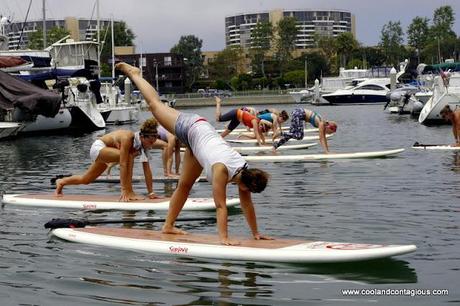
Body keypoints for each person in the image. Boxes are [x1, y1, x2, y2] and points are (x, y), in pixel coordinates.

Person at [116, 62, 272, 245]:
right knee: (154, 105)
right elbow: (220, 206)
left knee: (184, 186)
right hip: (191, 127)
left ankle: (168, 226)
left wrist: (256, 233)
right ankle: (134, 74)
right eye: (250, 191)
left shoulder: (244, 172)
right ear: (247, 186)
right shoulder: (222, 170)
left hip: (197, 143)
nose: (247, 194)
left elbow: (247, 205)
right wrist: (224, 238)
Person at [55, 118, 160, 201]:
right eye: (150, 142)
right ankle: (128, 191)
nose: (151, 145)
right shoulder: (128, 138)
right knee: (127, 157)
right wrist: (125, 190)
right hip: (98, 148)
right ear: (142, 137)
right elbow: (123, 164)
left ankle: (62, 182)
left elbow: (147, 170)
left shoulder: (142, 146)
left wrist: (151, 193)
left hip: (107, 153)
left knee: (86, 179)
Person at [273, 108, 337, 153]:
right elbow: (321, 138)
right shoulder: (322, 124)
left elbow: (324, 138)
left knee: (290, 135)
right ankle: (280, 133)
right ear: (329, 127)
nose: (328, 133)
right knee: (299, 136)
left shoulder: (324, 124)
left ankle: (275, 146)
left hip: (298, 113)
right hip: (299, 114)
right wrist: (326, 152)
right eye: (329, 132)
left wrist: (327, 151)